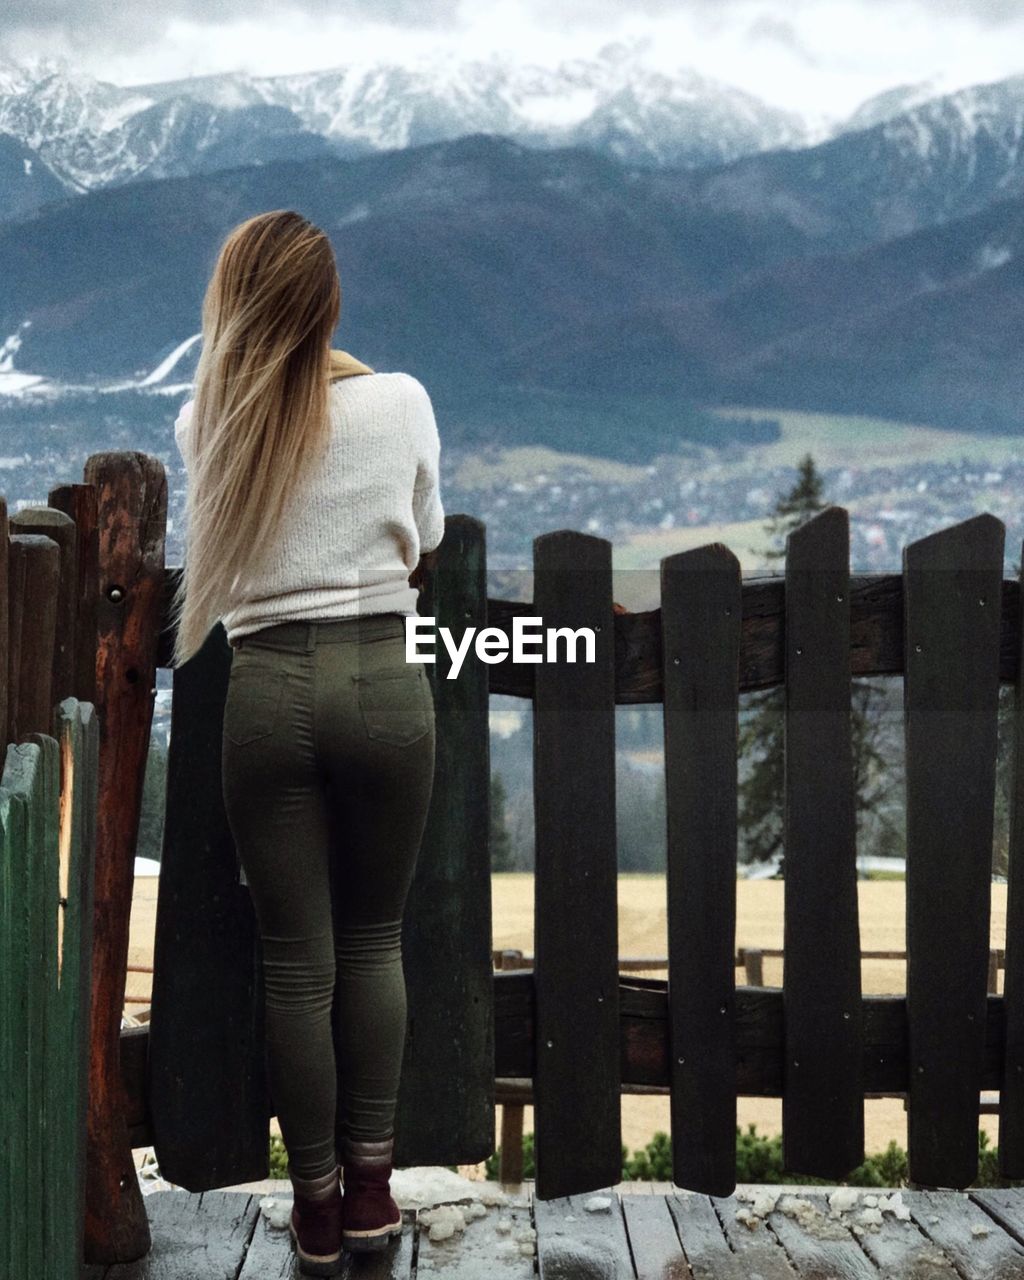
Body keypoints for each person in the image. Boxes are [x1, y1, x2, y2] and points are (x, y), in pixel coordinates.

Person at [169, 209, 444, 1274]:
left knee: (298, 963)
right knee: (375, 940)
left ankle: (316, 1206)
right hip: (382, 682)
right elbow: (424, 535)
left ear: (233, 305)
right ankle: (375, 1195)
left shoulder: (209, 424)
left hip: (267, 692)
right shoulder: (402, 401)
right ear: (329, 304)